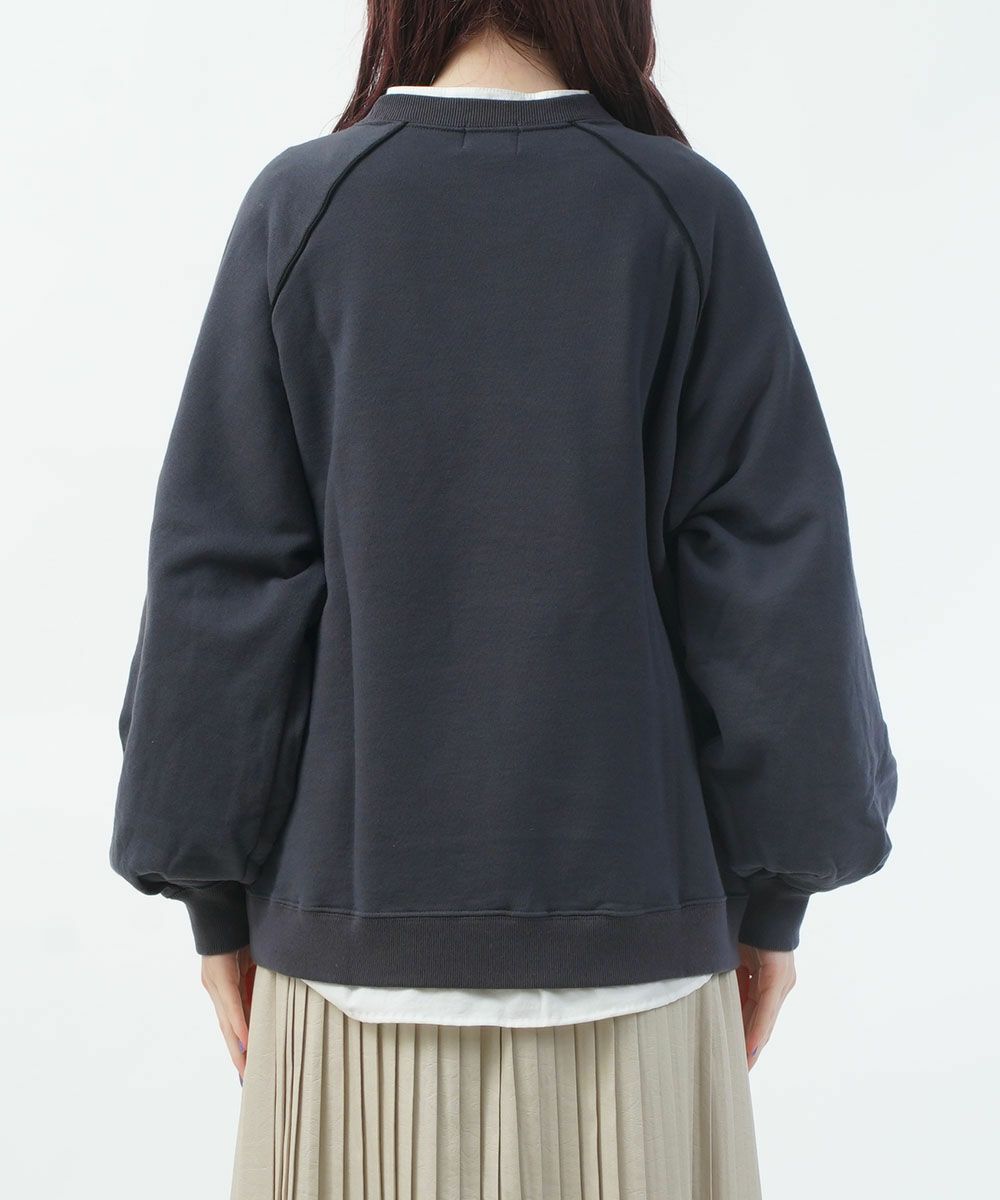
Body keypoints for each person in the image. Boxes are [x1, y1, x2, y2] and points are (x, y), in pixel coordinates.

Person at [109, 3, 897, 1197]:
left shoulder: (306, 208)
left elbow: (222, 580)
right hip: (640, 964)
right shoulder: (683, 213)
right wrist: (774, 903)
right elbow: (774, 588)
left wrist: (215, 906)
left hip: (345, 967)